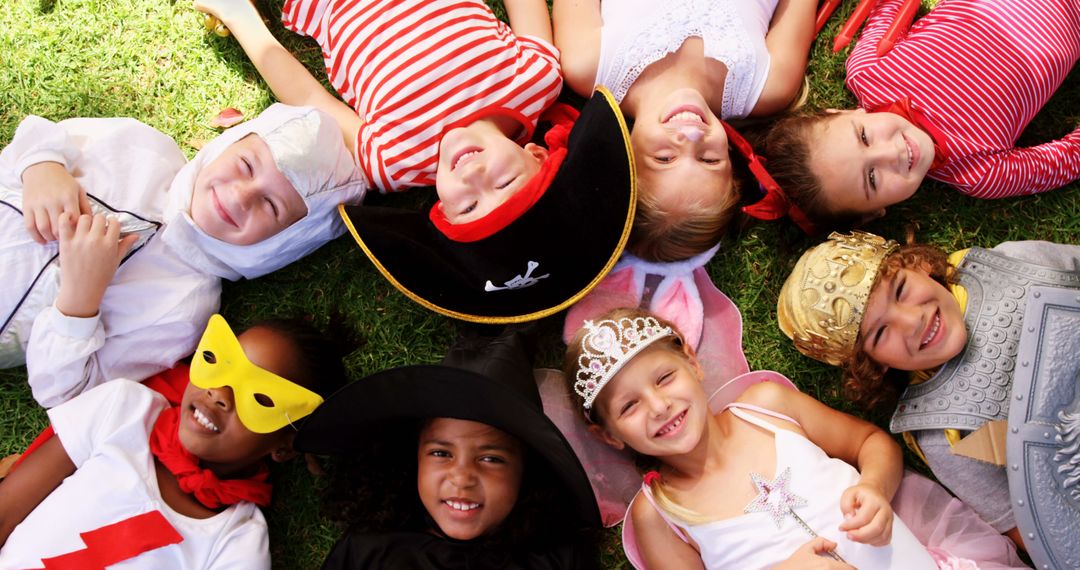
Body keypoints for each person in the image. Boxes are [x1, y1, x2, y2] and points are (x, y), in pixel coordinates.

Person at [193, 0, 637, 325]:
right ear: (537, 153)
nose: (472, 176)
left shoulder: (394, 164)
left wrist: (242, 19)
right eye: (504, 181)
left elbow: (310, 98)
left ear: (440, 209)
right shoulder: (538, 79)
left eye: (466, 207)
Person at [564, 307, 1025, 569]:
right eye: (629, 407)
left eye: (664, 378)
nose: (659, 406)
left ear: (693, 363)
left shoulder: (767, 406)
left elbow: (872, 443)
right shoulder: (657, 515)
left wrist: (873, 489)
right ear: (608, 435)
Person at [1, 103, 364, 408]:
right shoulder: (142, 147)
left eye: (270, 205)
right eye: (246, 166)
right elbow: (39, 134)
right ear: (228, 144)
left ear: (285, 243)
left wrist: (78, 302)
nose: (240, 196)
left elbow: (63, 391)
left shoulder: (183, 309)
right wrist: (42, 168)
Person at [777, 230, 1080, 566]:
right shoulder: (944, 436)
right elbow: (1035, 522)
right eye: (880, 333)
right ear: (872, 365)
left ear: (917, 264)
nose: (911, 321)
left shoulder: (1015, 264)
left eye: (901, 290)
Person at [0, 314, 347, 568]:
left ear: (283, 447)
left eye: (260, 398)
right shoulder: (124, 412)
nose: (219, 393)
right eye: (219, 363)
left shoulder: (236, 543)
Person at [295, 327, 602, 568]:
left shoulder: (555, 559)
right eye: (441, 453)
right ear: (414, 458)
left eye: (491, 458)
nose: (462, 476)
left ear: (527, 471)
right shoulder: (367, 551)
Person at [761, 0, 1080, 229]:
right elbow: (1066, 160)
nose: (891, 152)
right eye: (872, 178)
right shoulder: (979, 172)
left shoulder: (868, 73)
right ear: (875, 212)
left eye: (864, 136)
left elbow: (890, 9)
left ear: (841, 112)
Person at [552, 0, 816, 261]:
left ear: (624, 160)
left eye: (664, 158)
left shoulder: (587, 64)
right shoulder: (768, 88)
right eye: (709, 160)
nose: (691, 136)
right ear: (732, 168)